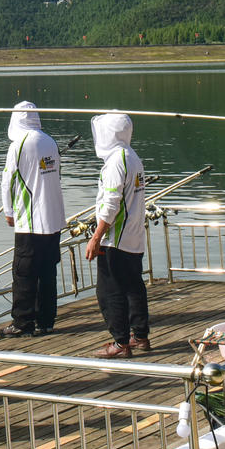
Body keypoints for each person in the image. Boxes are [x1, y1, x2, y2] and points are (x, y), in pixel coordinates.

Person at [83, 112, 149, 359]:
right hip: (134, 236)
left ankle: (121, 342)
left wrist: (96, 237)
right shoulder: (132, 156)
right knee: (134, 287)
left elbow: (111, 203)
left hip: (116, 238)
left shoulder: (115, 162)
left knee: (109, 291)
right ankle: (140, 336)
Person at [0, 101, 66, 338]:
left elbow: (8, 180)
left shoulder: (18, 145)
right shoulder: (50, 141)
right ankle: (46, 321)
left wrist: (9, 211)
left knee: (24, 273)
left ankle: (22, 322)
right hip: (53, 218)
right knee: (47, 272)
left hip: (30, 220)